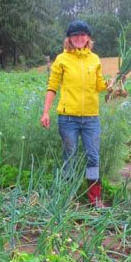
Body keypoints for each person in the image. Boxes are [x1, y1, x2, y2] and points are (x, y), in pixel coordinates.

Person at [40, 20, 111, 208]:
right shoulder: (62, 60)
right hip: (68, 118)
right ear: (69, 39)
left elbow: (99, 85)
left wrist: (113, 84)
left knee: (93, 157)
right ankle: (68, 199)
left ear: (88, 38)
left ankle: (95, 199)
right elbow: (52, 86)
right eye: (75, 35)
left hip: (91, 118)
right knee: (69, 156)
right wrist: (45, 112)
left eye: (83, 35)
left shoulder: (94, 59)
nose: (79, 38)